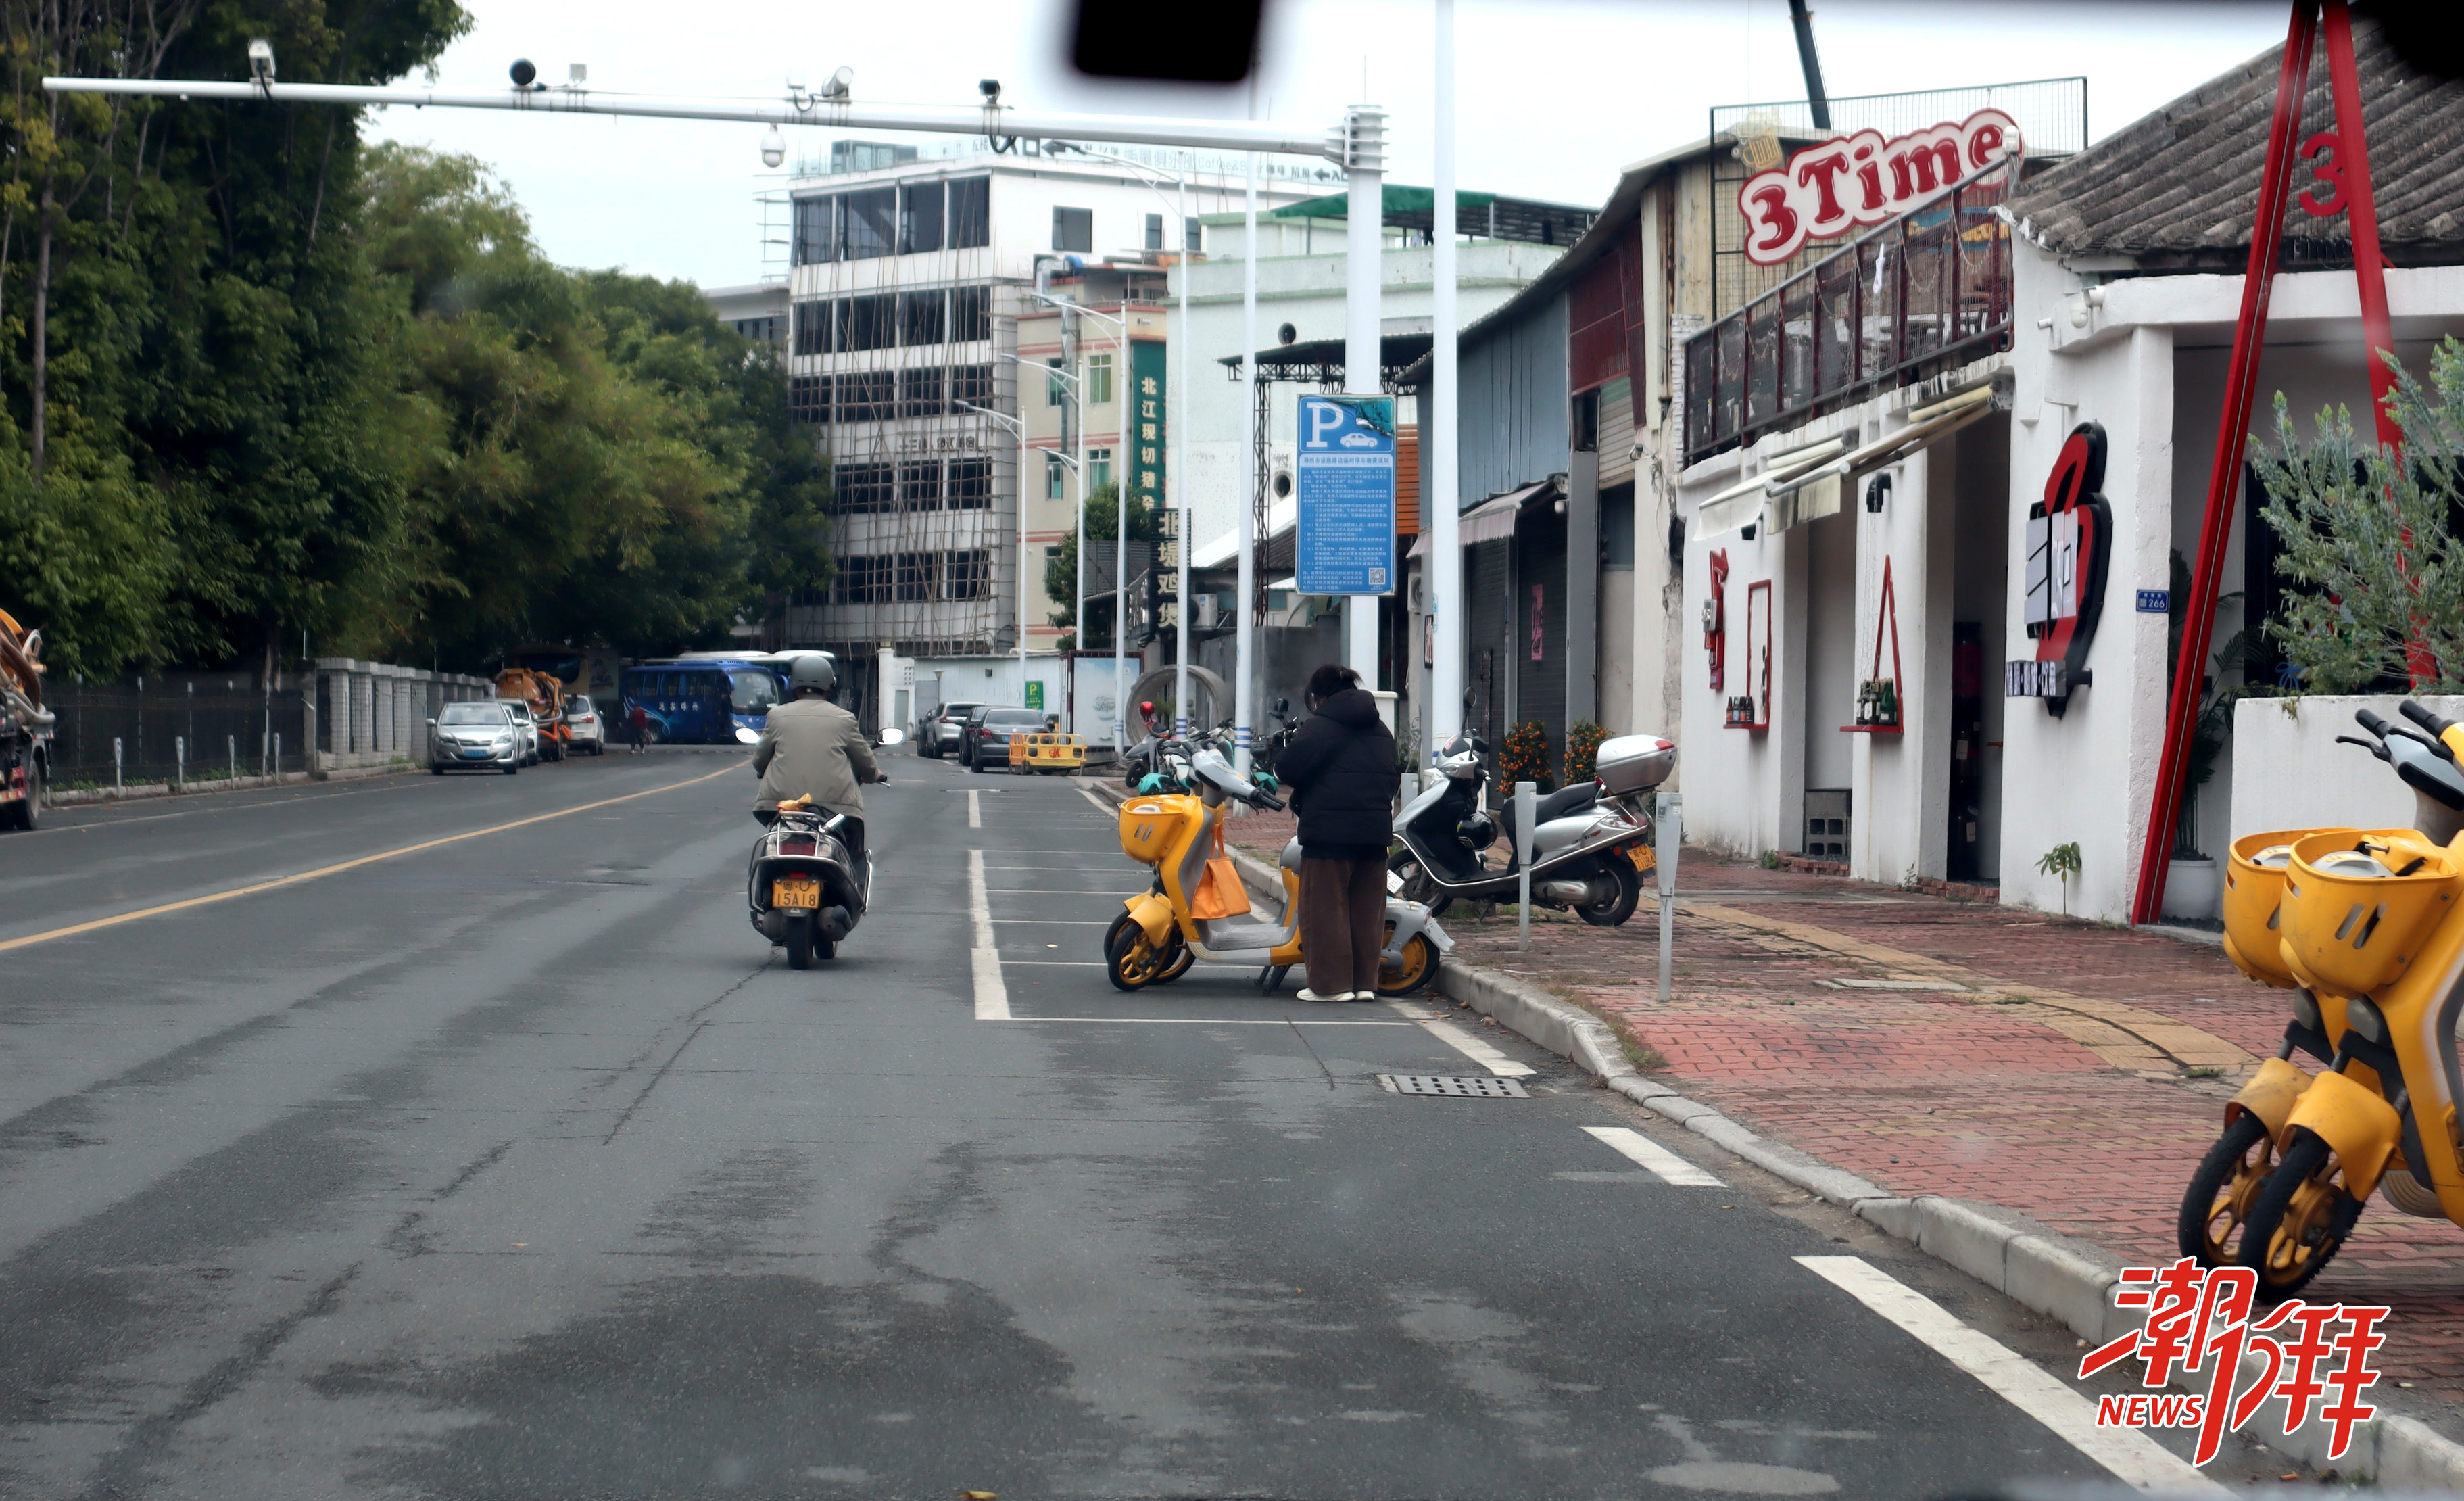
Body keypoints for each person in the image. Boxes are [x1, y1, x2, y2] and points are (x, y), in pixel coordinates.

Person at [1272, 663, 1399, 1003]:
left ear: (1319, 697)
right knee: (1367, 912)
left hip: (1329, 835)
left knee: (1326, 910)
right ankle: (1364, 984)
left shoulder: (1319, 727)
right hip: (1374, 834)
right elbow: (1392, 776)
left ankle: (1330, 986)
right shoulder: (1381, 729)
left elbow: (1287, 769)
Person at [753, 654, 887, 866]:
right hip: (836, 808)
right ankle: (856, 882)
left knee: (773, 844)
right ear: (829, 687)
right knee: (853, 851)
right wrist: (874, 775)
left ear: (794, 685)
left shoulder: (776, 716)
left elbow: (759, 761)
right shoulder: (844, 719)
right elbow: (866, 764)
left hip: (780, 805)